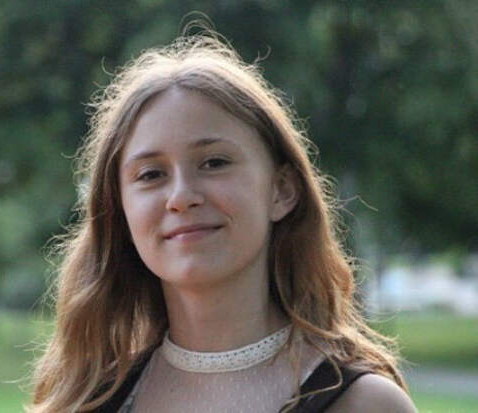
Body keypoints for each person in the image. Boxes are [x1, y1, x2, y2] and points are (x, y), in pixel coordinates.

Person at [29, 32, 417, 413]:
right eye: (151, 175)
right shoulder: (84, 402)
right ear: (120, 211)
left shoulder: (364, 404)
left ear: (282, 190)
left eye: (214, 162)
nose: (181, 197)